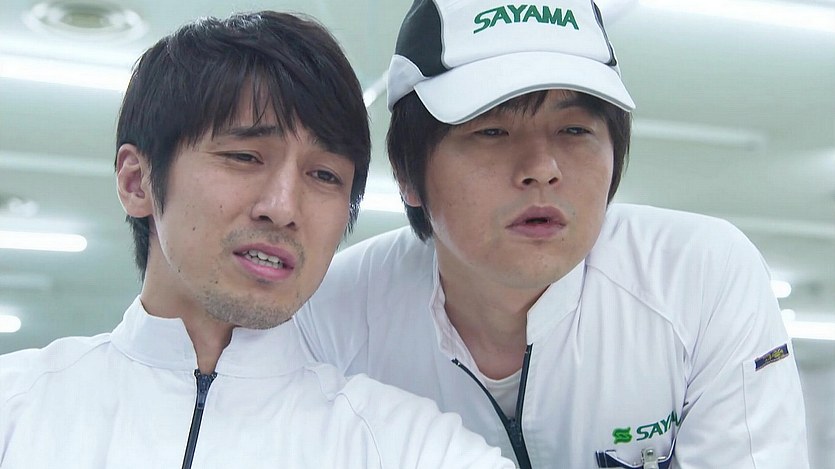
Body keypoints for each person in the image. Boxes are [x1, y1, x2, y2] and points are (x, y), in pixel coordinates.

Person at [294, 0, 811, 467]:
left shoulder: (699, 280)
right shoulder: (329, 317)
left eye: (574, 130)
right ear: (407, 173)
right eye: (492, 131)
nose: (542, 169)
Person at [0, 11, 514, 468]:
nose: (283, 208)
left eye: (325, 176)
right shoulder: (18, 407)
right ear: (137, 182)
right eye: (244, 157)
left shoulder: (409, 446)